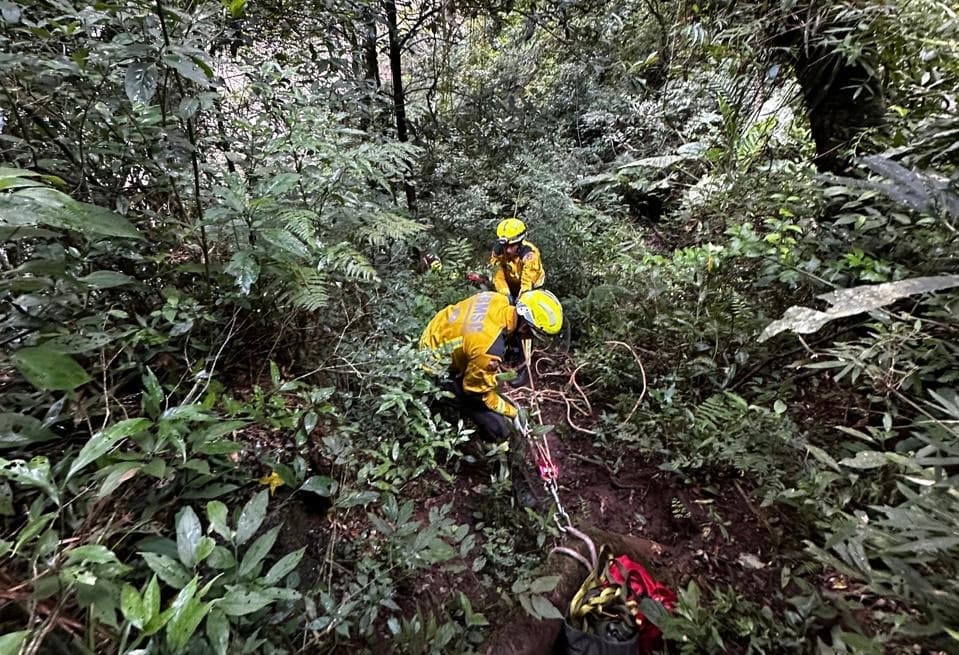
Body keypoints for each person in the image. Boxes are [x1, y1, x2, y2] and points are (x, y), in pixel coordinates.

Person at [419, 289, 564, 508]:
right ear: (525, 325)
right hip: (432, 363)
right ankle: (509, 483)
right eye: (532, 334)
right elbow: (476, 392)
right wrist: (512, 413)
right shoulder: (488, 349)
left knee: (495, 392)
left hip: (438, 331)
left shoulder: (498, 300)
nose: (530, 339)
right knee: (497, 425)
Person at [490, 217, 545, 303]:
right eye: (506, 246)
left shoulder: (530, 255)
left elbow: (528, 282)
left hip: (532, 287)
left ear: (519, 243)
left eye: (512, 246)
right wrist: (505, 293)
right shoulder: (498, 252)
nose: (508, 250)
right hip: (510, 285)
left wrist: (522, 298)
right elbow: (497, 274)